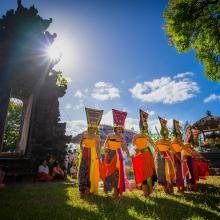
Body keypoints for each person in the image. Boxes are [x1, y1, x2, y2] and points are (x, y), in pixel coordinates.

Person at [103, 109, 130, 197]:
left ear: (121, 129)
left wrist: (129, 154)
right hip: (110, 154)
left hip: (119, 155)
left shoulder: (122, 138)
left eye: (120, 128)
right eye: (117, 128)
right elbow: (105, 144)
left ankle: (117, 191)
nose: (119, 129)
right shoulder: (110, 135)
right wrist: (106, 148)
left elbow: (125, 147)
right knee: (109, 172)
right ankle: (107, 190)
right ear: (115, 128)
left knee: (117, 172)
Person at [131, 109, 157, 196]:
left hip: (147, 154)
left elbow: (153, 144)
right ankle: (145, 192)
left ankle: (151, 191)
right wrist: (134, 150)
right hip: (139, 155)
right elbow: (133, 145)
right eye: (143, 126)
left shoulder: (147, 136)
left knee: (149, 173)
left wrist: (157, 151)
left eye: (146, 127)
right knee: (141, 173)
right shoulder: (136, 136)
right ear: (140, 126)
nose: (145, 128)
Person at [78, 107, 103, 196]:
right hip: (85, 153)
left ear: (96, 128)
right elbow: (81, 142)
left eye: (94, 128)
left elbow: (98, 147)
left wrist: (99, 155)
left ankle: (89, 190)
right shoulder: (85, 134)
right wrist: (82, 149)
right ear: (89, 127)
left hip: (93, 155)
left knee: (91, 172)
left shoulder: (97, 137)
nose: (93, 129)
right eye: (91, 128)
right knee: (83, 170)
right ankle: (82, 190)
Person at [155, 116, 176, 194]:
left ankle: (170, 190)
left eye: (166, 131)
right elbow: (155, 149)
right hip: (160, 158)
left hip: (167, 157)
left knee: (169, 172)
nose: (165, 133)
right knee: (162, 173)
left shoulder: (168, 142)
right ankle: (166, 190)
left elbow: (172, 150)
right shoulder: (158, 141)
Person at [170, 119, 185, 192]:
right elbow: (174, 152)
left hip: (179, 155)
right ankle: (179, 187)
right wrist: (180, 159)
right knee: (178, 172)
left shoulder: (178, 141)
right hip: (176, 157)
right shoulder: (174, 141)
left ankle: (181, 186)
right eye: (178, 134)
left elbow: (183, 147)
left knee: (180, 172)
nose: (179, 135)